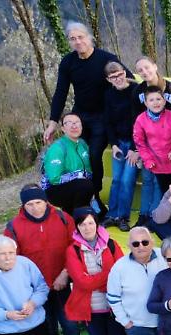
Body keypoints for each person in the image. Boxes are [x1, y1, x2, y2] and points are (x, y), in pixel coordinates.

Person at [4, 185, 86, 335]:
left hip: (62, 284)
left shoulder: (63, 218)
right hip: (35, 291)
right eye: (29, 204)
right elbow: (11, 259)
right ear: (23, 205)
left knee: (71, 327)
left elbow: (75, 247)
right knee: (47, 329)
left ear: (46, 201)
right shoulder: (14, 227)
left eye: (38, 202)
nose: (35, 208)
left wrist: (65, 273)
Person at [44, 22, 123, 210]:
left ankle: (94, 197)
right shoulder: (68, 62)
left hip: (102, 116)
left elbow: (125, 79)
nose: (78, 42)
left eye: (81, 37)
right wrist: (53, 122)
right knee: (76, 155)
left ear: (89, 38)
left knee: (94, 155)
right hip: (80, 115)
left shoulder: (106, 58)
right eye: (73, 39)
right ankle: (77, 197)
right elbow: (61, 92)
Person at [64, 208, 134, 335]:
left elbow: (122, 273)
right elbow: (82, 282)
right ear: (77, 227)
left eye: (91, 223)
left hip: (114, 307)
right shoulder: (73, 251)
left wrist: (98, 279)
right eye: (82, 224)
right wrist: (108, 277)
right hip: (92, 309)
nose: (87, 227)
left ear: (97, 224)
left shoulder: (111, 244)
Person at [133, 57, 171, 226]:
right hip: (150, 147)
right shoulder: (138, 91)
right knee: (149, 180)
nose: (144, 72)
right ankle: (146, 216)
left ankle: (162, 217)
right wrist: (137, 149)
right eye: (140, 70)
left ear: (155, 66)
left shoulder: (170, 87)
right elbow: (136, 120)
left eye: (147, 67)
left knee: (169, 186)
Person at [103, 61, 141, 230]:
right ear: (108, 79)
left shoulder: (135, 91)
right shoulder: (108, 95)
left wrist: (135, 148)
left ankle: (123, 217)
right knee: (116, 180)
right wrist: (114, 144)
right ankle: (112, 214)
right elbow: (108, 122)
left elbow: (139, 122)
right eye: (113, 77)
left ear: (125, 73)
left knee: (127, 179)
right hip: (119, 143)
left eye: (119, 74)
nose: (117, 79)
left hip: (135, 143)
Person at [134, 86, 171, 196]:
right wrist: (148, 160)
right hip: (157, 166)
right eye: (151, 100)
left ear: (164, 101)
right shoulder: (140, 120)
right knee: (167, 196)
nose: (155, 103)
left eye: (158, 99)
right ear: (145, 103)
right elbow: (139, 142)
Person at [42, 112, 96, 216]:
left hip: (77, 186)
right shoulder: (58, 147)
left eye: (77, 123)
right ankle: (78, 219)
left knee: (88, 185)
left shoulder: (82, 144)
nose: (74, 126)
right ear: (63, 128)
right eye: (69, 123)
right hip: (55, 189)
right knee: (85, 185)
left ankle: (76, 216)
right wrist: (79, 176)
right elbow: (54, 179)